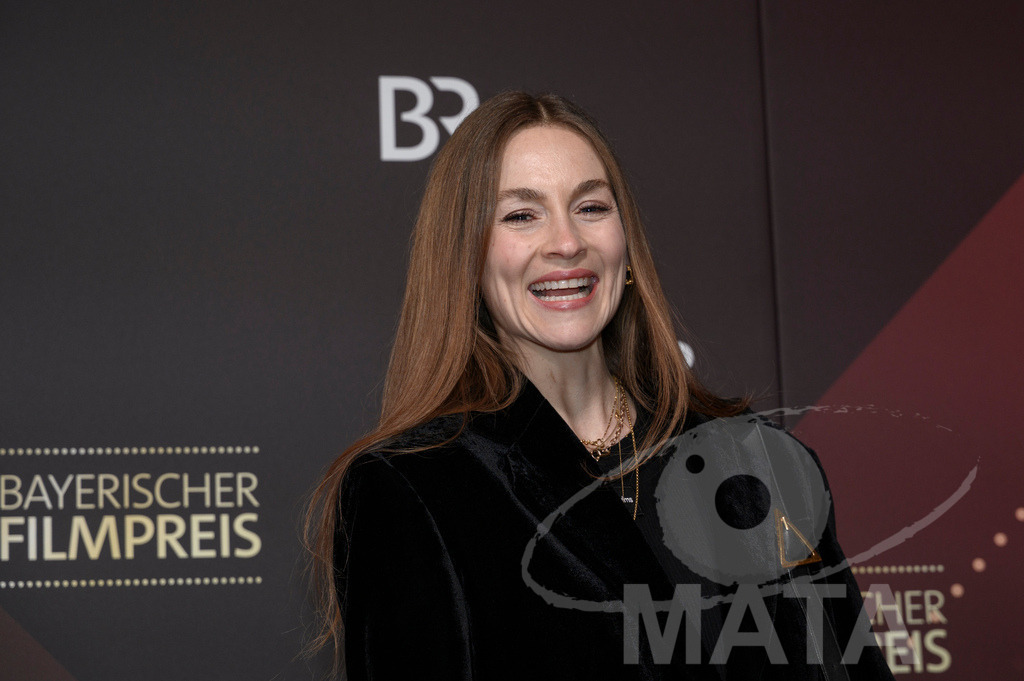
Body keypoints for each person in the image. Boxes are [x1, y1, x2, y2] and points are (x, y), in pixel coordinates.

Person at [305, 91, 894, 680]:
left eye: (590, 207)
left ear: (626, 244)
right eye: (521, 214)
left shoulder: (762, 467)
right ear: (467, 258)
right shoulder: (415, 487)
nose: (566, 242)